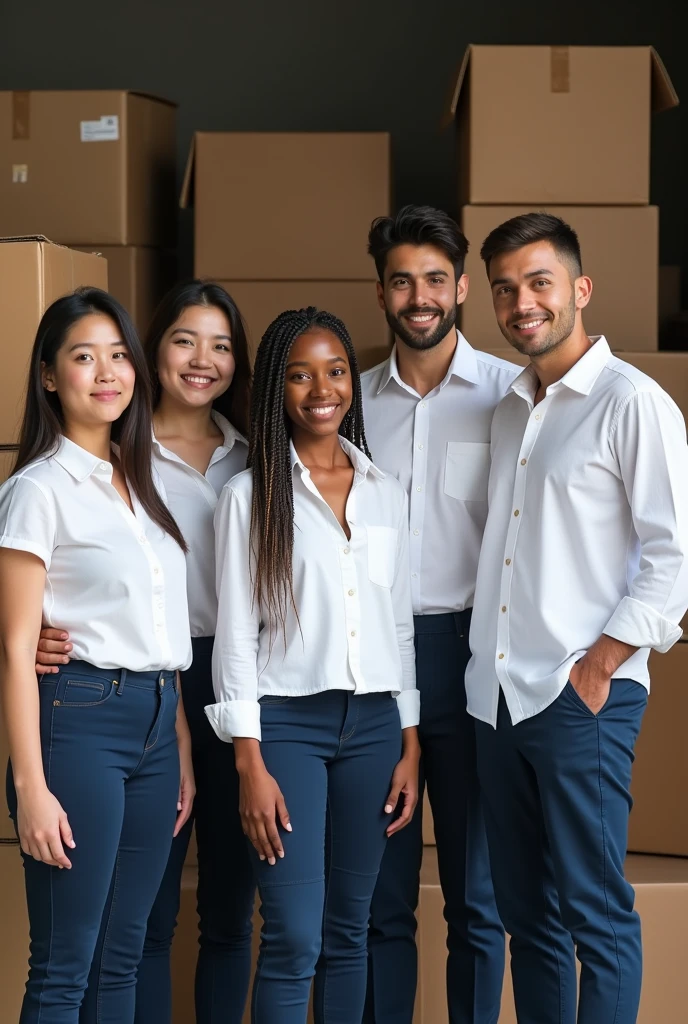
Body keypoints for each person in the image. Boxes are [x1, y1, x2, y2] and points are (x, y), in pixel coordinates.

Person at [467, 212, 688, 1024]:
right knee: (528, 920)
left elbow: (675, 563)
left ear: (579, 289)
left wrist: (596, 667)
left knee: (596, 917)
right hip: (497, 700)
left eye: (538, 282)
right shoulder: (508, 410)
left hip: (577, 700)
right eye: (504, 289)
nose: (522, 302)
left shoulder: (634, 404)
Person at [34, 281, 255, 1024]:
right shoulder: (88, 468)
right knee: (116, 934)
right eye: (184, 340)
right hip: (111, 695)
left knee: (206, 914)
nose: (203, 359)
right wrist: (37, 626)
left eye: (221, 344)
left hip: (214, 690)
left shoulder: (244, 462)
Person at [206, 306, 420, 1024]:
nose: (321, 388)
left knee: (348, 932)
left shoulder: (386, 493)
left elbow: (399, 625)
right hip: (286, 728)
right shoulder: (248, 496)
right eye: (299, 374)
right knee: (295, 934)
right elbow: (235, 636)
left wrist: (409, 741)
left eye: (334, 371)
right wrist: (249, 761)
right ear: (276, 388)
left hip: (374, 728)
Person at [0, 288, 194, 1024]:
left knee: (123, 956)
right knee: (65, 964)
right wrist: (31, 786)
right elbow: (18, 649)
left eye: (119, 355)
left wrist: (174, 740)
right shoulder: (37, 491)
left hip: (154, 724)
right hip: (79, 724)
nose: (107, 372)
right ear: (50, 376)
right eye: (84, 357)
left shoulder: (142, 482)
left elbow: (158, 631)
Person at [360, 205, 515, 1024]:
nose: (418, 297)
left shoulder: (509, 398)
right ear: (380, 292)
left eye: (433, 280)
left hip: (467, 655)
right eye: (400, 281)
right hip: (373, 663)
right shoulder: (345, 403)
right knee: (381, 897)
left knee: (475, 897)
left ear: (460, 288)